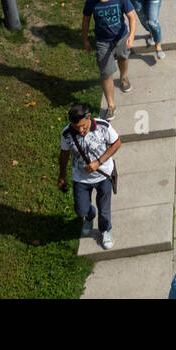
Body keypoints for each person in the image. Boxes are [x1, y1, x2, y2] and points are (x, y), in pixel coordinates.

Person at [58, 104, 121, 251]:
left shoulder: (102, 126)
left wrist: (98, 162)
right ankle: (89, 215)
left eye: (84, 127)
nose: (81, 130)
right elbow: (64, 154)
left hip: (103, 175)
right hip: (81, 178)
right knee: (81, 209)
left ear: (89, 118)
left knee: (104, 208)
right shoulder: (67, 133)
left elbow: (116, 143)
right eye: (77, 127)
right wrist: (62, 176)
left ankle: (105, 230)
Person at [81, 0, 137, 118]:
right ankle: (110, 105)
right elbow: (86, 21)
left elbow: (131, 16)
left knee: (123, 59)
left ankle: (123, 77)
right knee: (106, 74)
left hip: (121, 38)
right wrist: (85, 39)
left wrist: (130, 36)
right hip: (102, 42)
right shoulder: (91, 3)